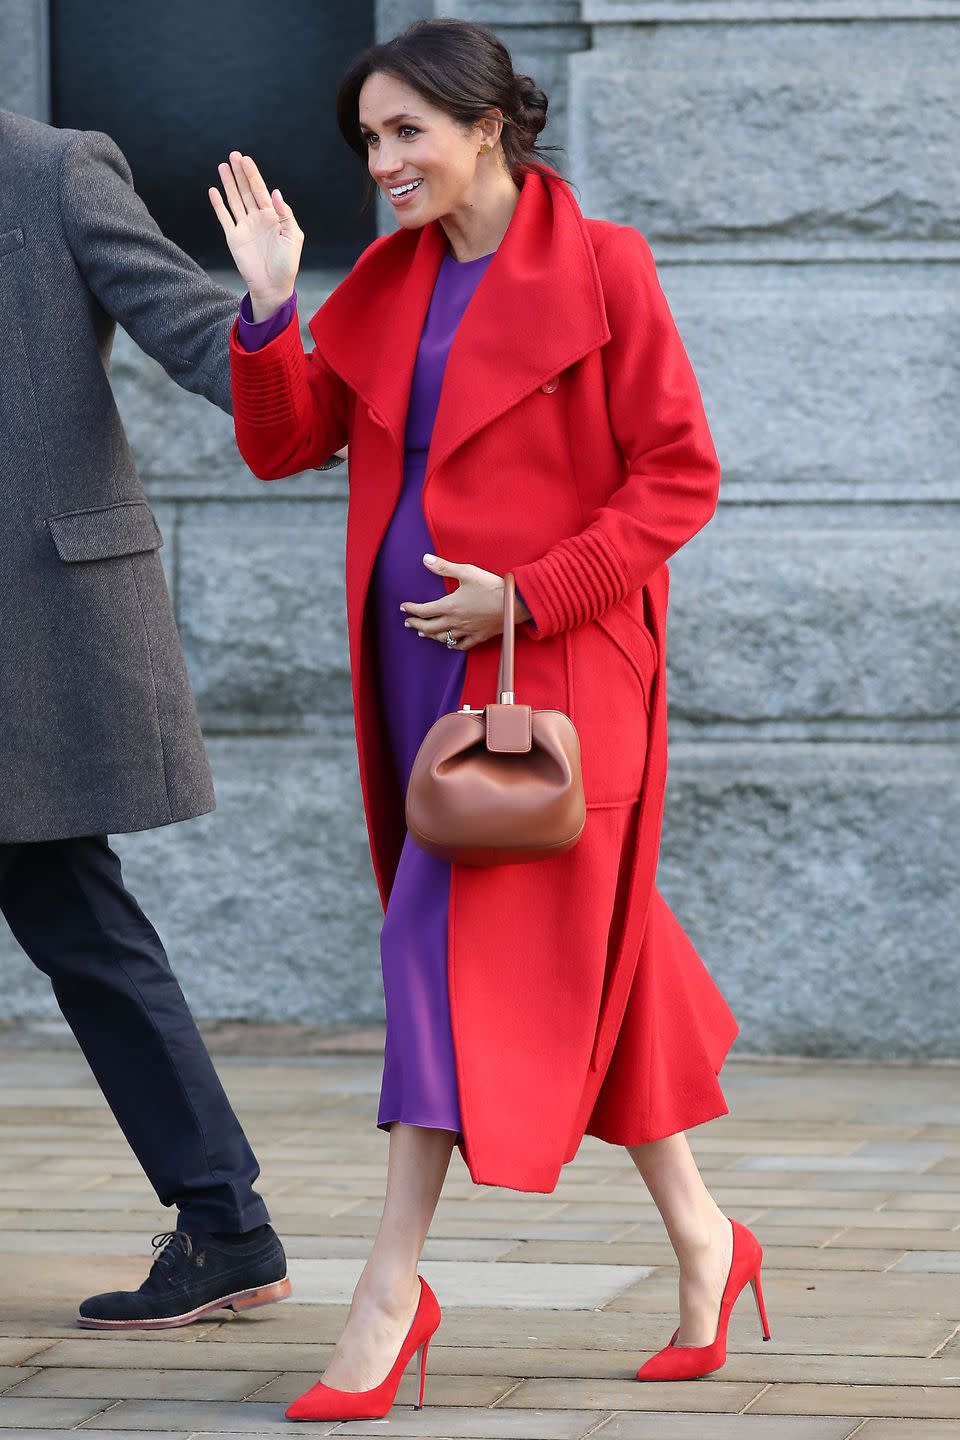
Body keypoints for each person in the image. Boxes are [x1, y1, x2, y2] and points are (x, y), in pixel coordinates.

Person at [211, 16, 770, 1421]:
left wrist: (529, 596)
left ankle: (390, 1289)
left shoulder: (604, 266)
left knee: (436, 955)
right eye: (369, 141)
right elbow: (285, 443)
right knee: (601, 955)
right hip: (418, 684)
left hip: (551, 683)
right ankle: (709, 1240)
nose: (384, 162)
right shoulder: (390, 283)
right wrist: (273, 305)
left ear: (484, 128)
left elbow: (677, 479)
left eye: (407, 132)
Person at [0, 106, 294, 1328]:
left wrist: (270, 312)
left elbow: (191, 330)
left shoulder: (54, 171)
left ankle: (226, 1223)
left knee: (82, 925)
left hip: (31, 631)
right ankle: (227, 1222)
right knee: (84, 926)